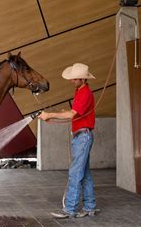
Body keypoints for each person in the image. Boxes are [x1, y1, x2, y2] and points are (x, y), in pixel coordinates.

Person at [38, 62, 100, 218]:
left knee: (75, 172)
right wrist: (63, 113)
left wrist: (50, 115)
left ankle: (70, 209)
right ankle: (89, 207)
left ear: (82, 79)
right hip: (81, 136)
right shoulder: (79, 91)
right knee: (84, 173)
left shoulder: (85, 93)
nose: (71, 81)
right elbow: (75, 113)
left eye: (74, 79)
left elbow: (72, 115)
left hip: (83, 137)